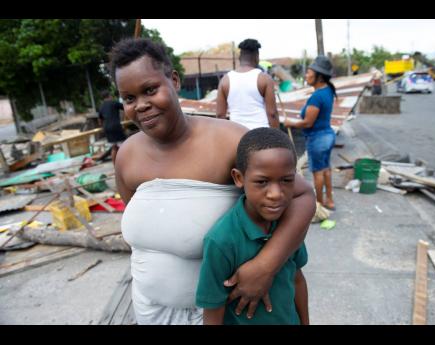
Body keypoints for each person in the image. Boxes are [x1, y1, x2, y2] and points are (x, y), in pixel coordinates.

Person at [111, 38, 316, 325]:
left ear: (173, 80)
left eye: (149, 90)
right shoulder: (127, 156)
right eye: (129, 98)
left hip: (219, 314)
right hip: (150, 311)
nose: (141, 105)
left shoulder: (228, 141)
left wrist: (265, 265)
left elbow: (302, 197)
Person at [196, 128, 309, 325]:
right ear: (239, 178)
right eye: (262, 182)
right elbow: (213, 310)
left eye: (286, 180)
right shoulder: (221, 240)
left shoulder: (288, 224)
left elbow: (297, 279)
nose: (275, 193)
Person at [284, 55, 337, 211]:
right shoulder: (327, 90)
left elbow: (308, 122)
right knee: (326, 169)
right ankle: (330, 200)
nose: (306, 75)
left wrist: (290, 123)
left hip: (317, 138)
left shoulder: (316, 96)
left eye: (308, 72)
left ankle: (319, 205)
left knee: (317, 173)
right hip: (328, 135)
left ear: (319, 76)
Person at [216, 38, 279, 129]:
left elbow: (220, 115)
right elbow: (272, 113)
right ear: (257, 56)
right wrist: (276, 138)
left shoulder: (225, 80)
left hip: (236, 134)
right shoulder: (264, 78)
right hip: (260, 133)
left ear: (239, 57)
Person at [98, 90, 126, 164]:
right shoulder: (114, 103)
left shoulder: (101, 106)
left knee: (113, 147)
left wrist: (102, 128)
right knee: (122, 146)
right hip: (116, 126)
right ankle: (126, 164)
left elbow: (100, 119)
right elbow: (125, 107)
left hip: (107, 128)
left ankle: (115, 166)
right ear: (109, 95)